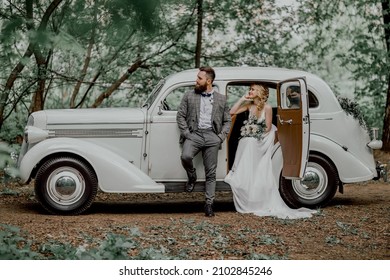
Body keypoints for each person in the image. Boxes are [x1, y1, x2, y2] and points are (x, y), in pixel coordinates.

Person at [224, 84, 316, 219]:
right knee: (244, 141)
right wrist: (242, 99)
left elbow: (267, 128)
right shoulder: (250, 106)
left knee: (248, 141)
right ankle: (242, 175)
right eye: (250, 89)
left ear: (260, 92)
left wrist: (253, 132)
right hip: (253, 135)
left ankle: (242, 174)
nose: (250, 91)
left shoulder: (267, 108)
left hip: (264, 136)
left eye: (253, 90)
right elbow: (232, 112)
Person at [177, 66, 231, 217]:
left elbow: (227, 121)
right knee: (185, 156)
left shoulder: (221, 99)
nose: (196, 80)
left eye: (199, 78)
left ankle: (209, 204)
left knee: (211, 172)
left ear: (208, 81)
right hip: (194, 134)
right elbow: (180, 116)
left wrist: (220, 137)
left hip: (212, 137)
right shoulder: (189, 95)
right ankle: (192, 176)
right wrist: (187, 133)